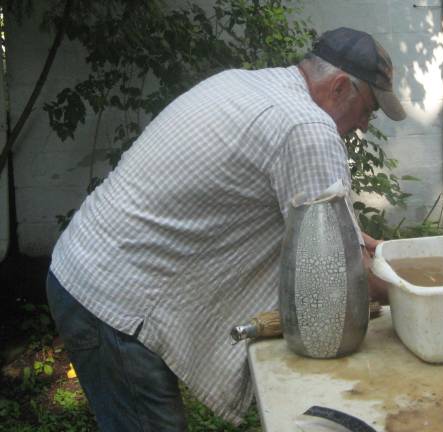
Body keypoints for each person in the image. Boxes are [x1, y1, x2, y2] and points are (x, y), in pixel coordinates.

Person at [46, 27, 405, 431]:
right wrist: (423, 295)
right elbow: (340, 272)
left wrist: (364, 248)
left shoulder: (245, 83)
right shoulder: (306, 127)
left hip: (89, 270)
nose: (363, 126)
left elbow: (329, 234)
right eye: (369, 109)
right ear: (341, 87)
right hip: (115, 301)